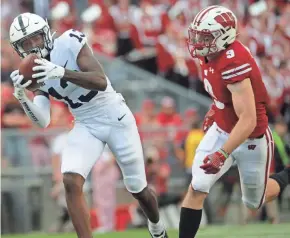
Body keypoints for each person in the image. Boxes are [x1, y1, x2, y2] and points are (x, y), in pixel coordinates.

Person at [9, 13, 168, 238]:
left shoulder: (68, 42)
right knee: (70, 180)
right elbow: (43, 121)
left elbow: (100, 81)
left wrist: (62, 72)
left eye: (36, 38)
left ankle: (157, 227)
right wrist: (22, 97)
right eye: (27, 43)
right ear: (19, 48)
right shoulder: (33, 71)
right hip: (85, 122)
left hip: (115, 116)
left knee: (138, 189)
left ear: (45, 33)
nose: (34, 46)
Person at [179, 6, 273, 238]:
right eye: (197, 35)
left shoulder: (233, 61)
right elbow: (223, 92)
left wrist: (222, 154)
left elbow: (248, 119)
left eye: (205, 36)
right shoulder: (208, 53)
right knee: (198, 185)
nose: (198, 41)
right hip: (222, 129)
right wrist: (216, 107)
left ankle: (286, 175)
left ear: (225, 36)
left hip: (250, 137)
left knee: (254, 202)